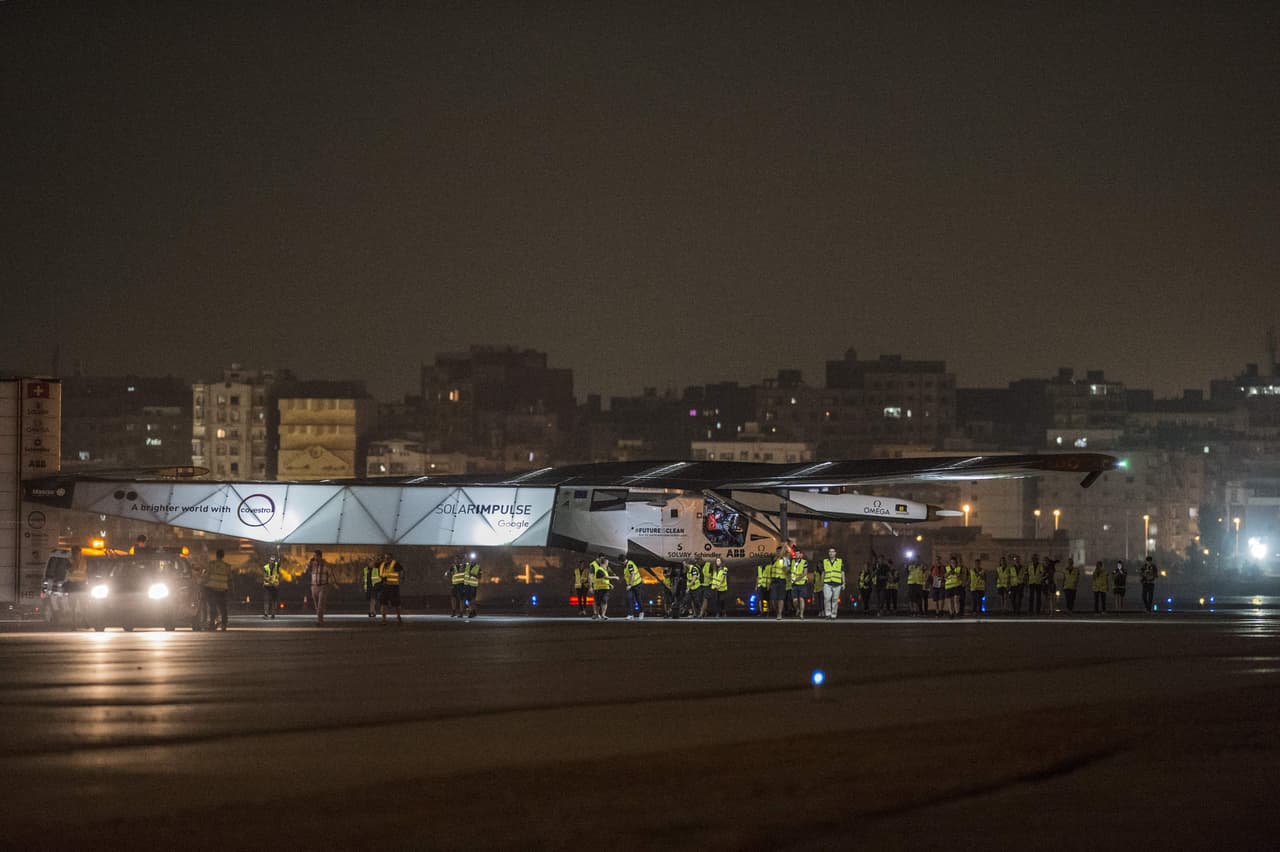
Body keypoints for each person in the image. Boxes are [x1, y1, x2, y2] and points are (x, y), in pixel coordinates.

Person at [202, 549, 232, 630]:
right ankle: (224, 624)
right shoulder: (227, 566)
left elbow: (206, 575)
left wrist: (202, 583)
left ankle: (212, 623)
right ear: (223, 556)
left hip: (212, 589)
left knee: (212, 607)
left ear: (216, 555)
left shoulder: (211, 564)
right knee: (223, 608)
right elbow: (230, 578)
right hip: (223, 589)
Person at [307, 549, 334, 625]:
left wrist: (330, 584)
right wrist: (309, 563)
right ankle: (320, 619)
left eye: (315, 556)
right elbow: (306, 571)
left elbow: (330, 574)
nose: (314, 557)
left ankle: (320, 621)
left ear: (319, 556)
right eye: (313, 556)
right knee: (316, 605)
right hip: (314, 586)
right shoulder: (312, 565)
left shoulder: (326, 564)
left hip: (323, 586)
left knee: (320, 605)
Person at [379, 552, 403, 624]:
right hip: (385, 586)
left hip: (393, 587)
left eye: (388, 558)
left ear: (391, 558)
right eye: (385, 558)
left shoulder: (395, 564)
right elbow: (381, 574)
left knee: (396, 603)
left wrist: (401, 579)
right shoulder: (382, 564)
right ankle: (383, 619)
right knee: (383, 603)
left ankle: (399, 617)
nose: (386, 559)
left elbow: (401, 571)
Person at [591, 555, 617, 620]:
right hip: (598, 589)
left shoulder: (604, 570)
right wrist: (614, 577)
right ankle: (597, 614)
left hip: (605, 589)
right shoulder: (599, 570)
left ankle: (603, 615)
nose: (608, 564)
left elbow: (604, 580)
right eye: (607, 563)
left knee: (604, 601)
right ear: (604, 563)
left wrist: (609, 584)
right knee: (598, 602)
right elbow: (605, 577)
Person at [821, 547, 844, 619]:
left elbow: (842, 572)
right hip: (827, 583)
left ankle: (833, 614)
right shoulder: (825, 561)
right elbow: (823, 573)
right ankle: (828, 614)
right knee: (827, 598)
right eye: (830, 552)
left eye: (832, 552)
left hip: (837, 583)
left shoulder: (840, 561)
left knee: (835, 599)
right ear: (828, 553)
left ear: (835, 553)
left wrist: (844, 583)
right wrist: (822, 583)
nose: (831, 553)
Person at [769, 546, 790, 621]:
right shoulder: (774, 559)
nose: (778, 553)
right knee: (773, 599)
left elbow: (788, 570)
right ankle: (777, 612)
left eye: (780, 551)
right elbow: (771, 570)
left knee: (781, 598)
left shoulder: (786, 560)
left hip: (782, 580)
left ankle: (779, 614)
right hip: (774, 580)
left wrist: (786, 569)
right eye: (777, 551)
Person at [789, 550, 809, 619]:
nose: (797, 555)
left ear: (800, 555)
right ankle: (797, 609)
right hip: (794, 583)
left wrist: (797, 579)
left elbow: (805, 573)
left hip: (802, 583)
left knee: (801, 599)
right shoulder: (792, 562)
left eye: (798, 554)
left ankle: (801, 614)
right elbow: (790, 571)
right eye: (796, 554)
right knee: (794, 600)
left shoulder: (804, 562)